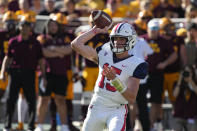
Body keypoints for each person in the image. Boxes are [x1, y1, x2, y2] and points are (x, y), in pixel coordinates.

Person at [71, 22, 148, 131]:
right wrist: (94, 31)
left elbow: (131, 98)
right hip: (97, 105)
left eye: (122, 39)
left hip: (117, 109)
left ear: (131, 40)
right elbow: (75, 44)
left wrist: (115, 80)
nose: (117, 42)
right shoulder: (104, 52)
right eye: (115, 39)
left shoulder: (136, 64)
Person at [0, 15, 45, 131]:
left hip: (29, 73)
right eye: (23, 27)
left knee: (31, 100)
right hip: (15, 73)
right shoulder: (13, 41)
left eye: (27, 27)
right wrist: (3, 71)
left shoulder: (35, 43)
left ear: (30, 28)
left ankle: (30, 126)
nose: (25, 29)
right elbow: (8, 58)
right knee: (11, 100)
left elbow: (40, 60)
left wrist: (43, 75)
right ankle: (7, 125)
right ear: (19, 28)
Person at [35, 13, 72, 131]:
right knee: (43, 99)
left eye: (55, 25)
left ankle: (64, 126)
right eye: (50, 25)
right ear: (47, 26)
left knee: (61, 100)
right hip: (46, 74)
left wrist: (53, 49)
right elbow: (43, 52)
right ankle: (39, 125)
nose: (53, 28)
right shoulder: (42, 38)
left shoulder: (64, 38)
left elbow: (68, 50)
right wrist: (59, 53)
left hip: (61, 73)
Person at [141, 19, 177, 131]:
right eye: (152, 29)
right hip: (142, 75)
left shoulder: (163, 41)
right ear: (148, 29)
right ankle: (137, 125)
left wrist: (164, 63)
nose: (154, 31)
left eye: (156, 29)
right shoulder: (141, 39)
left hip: (157, 74)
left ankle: (151, 125)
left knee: (156, 101)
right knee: (138, 101)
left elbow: (174, 55)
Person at [172, 66, 197, 131]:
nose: (187, 74)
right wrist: (180, 80)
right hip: (179, 115)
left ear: (192, 73)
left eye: (189, 72)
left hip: (191, 116)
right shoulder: (177, 83)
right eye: (186, 72)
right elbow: (175, 95)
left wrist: (191, 81)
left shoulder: (195, 83)